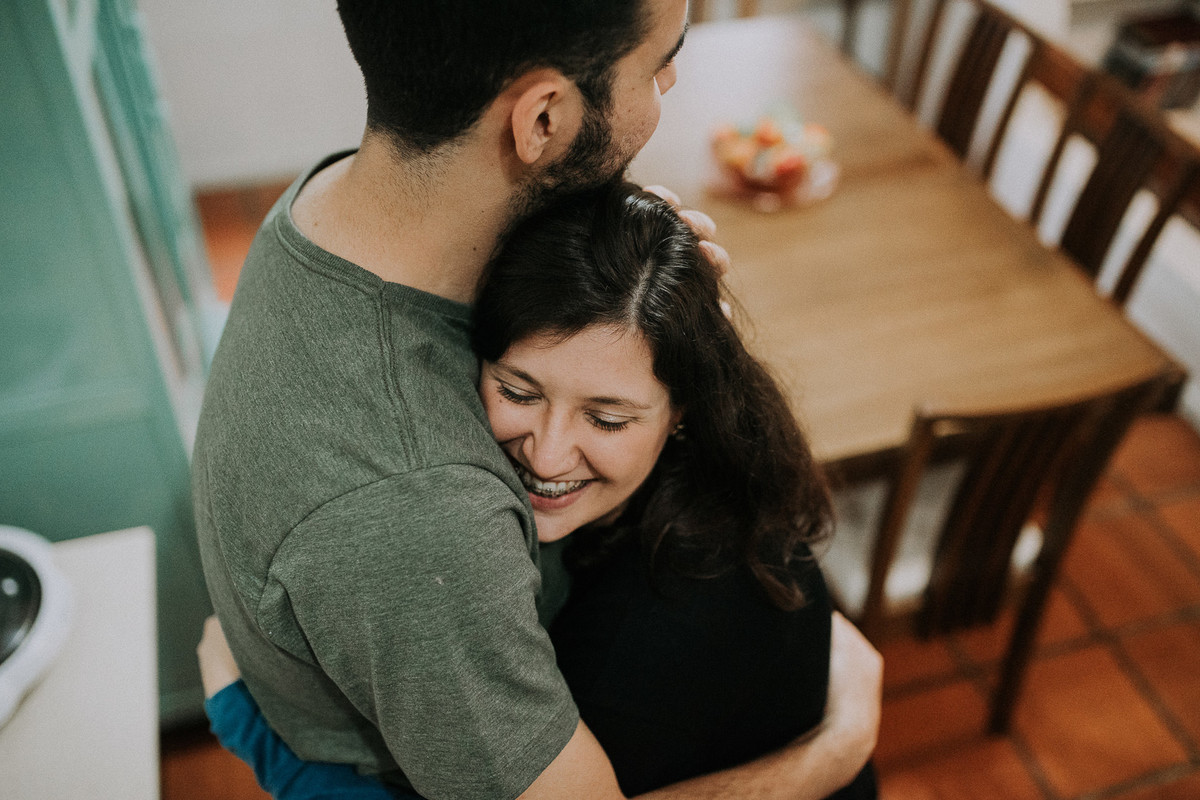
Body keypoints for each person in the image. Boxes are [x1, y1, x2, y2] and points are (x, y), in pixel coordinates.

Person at [192, 2, 881, 798]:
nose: (669, 84)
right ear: (542, 117)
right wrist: (840, 744)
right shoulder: (419, 514)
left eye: (607, 414)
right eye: (657, 63)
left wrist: (629, 278)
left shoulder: (332, 205)